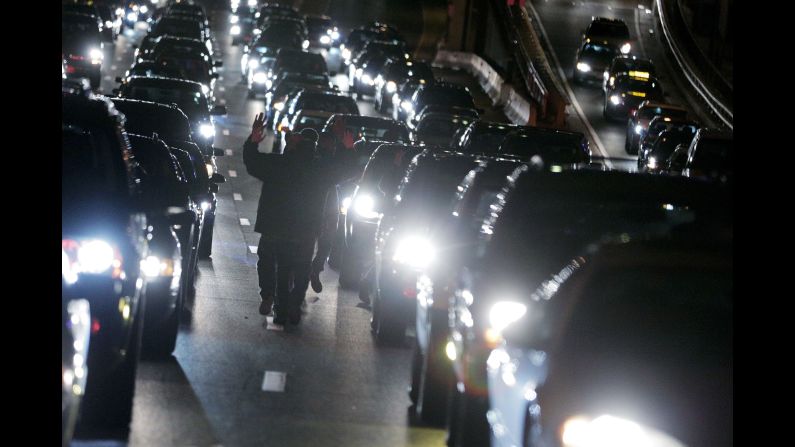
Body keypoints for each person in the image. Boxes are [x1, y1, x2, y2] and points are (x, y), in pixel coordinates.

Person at [243, 113, 347, 325]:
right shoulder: (319, 170)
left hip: (279, 227)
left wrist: (253, 141)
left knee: (282, 269)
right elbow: (343, 170)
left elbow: (252, 162)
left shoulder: (279, 165)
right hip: (306, 231)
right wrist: (346, 147)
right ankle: (292, 307)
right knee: (300, 270)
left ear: (291, 148)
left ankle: (281, 307)